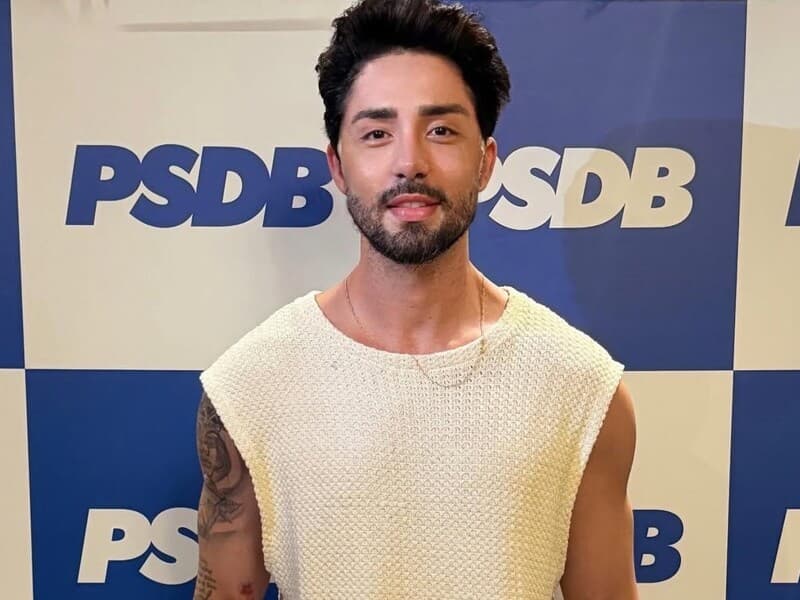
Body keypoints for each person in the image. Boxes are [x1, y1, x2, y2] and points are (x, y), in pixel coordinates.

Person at [194, 0, 638, 598]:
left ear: (485, 162)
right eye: (377, 133)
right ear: (338, 166)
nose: (410, 162)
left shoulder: (581, 387)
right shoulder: (250, 386)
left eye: (441, 130)